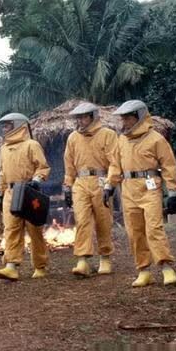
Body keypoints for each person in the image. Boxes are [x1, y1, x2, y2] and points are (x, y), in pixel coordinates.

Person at [112, 100, 176, 287]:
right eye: (122, 118)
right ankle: (143, 270)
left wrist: (172, 192)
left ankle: (166, 267)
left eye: (127, 118)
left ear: (139, 117)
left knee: (154, 228)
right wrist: (110, 185)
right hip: (128, 188)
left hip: (150, 186)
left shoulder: (156, 139)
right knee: (134, 231)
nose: (124, 122)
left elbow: (169, 165)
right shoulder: (122, 140)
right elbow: (115, 164)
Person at [63, 102, 119, 277]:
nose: (80, 120)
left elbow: (115, 162)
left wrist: (110, 184)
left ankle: (105, 258)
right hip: (80, 182)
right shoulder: (73, 138)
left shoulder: (107, 134)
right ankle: (83, 260)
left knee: (103, 221)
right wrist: (67, 186)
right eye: (78, 117)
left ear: (93, 117)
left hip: (101, 180)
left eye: (83, 117)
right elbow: (69, 164)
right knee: (82, 220)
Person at [0, 113, 50, 281]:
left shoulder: (32, 145)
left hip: (28, 191)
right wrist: (0, 193)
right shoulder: (3, 148)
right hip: (10, 192)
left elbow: (43, 167)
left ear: (18, 125)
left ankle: (40, 265)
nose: (4, 129)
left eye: (7, 125)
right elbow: (2, 173)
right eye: (3, 126)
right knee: (11, 229)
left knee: (34, 230)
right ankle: (11, 266)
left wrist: (37, 180)